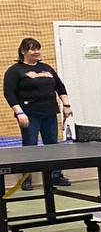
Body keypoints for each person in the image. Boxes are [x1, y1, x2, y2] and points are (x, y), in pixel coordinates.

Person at [4, 38, 72, 190]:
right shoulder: (15, 70)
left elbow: (60, 87)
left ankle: (56, 175)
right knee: (30, 145)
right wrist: (19, 112)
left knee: (52, 145)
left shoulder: (46, 68)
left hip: (49, 113)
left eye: (38, 49)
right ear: (23, 51)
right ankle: (26, 179)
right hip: (29, 114)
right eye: (33, 49)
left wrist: (66, 105)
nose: (36, 52)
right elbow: (9, 93)